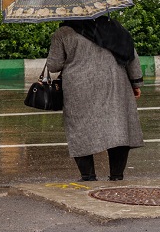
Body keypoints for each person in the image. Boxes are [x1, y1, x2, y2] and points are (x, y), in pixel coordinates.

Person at [46, 16, 144, 181]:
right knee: (117, 128)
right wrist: (136, 82)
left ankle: (88, 176)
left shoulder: (63, 32)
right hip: (115, 84)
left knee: (80, 130)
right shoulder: (114, 28)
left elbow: (53, 66)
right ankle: (117, 175)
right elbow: (131, 54)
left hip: (79, 88)